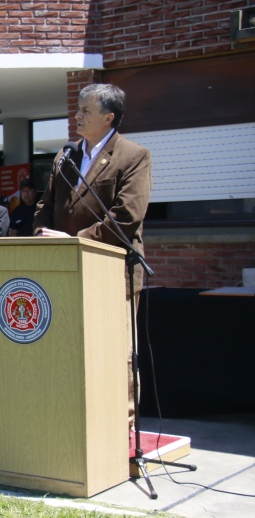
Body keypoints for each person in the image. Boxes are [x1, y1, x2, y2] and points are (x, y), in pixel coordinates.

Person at [33, 83, 152, 434]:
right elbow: (46, 205)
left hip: (112, 275)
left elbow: (126, 217)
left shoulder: (133, 156)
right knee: (69, 352)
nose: (77, 115)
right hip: (64, 272)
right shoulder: (65, 156)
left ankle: (122, 428)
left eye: (86, 110)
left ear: (108, 117)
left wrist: (73, 242)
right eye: (78, 109)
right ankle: (71, 421)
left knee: (116, 355)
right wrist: (42, 234)